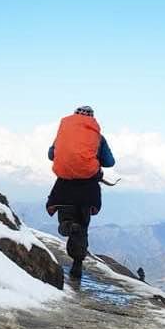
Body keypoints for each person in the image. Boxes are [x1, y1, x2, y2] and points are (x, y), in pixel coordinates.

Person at [44, 105, 115, 278]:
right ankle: (77, 264)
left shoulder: (63, 135)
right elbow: (110, 162)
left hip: (64, 187)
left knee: (65, 222)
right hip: (87, 190)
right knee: (82, 228)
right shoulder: (98, 138)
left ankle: (68, 226)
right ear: (92, 119)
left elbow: (51, 155)